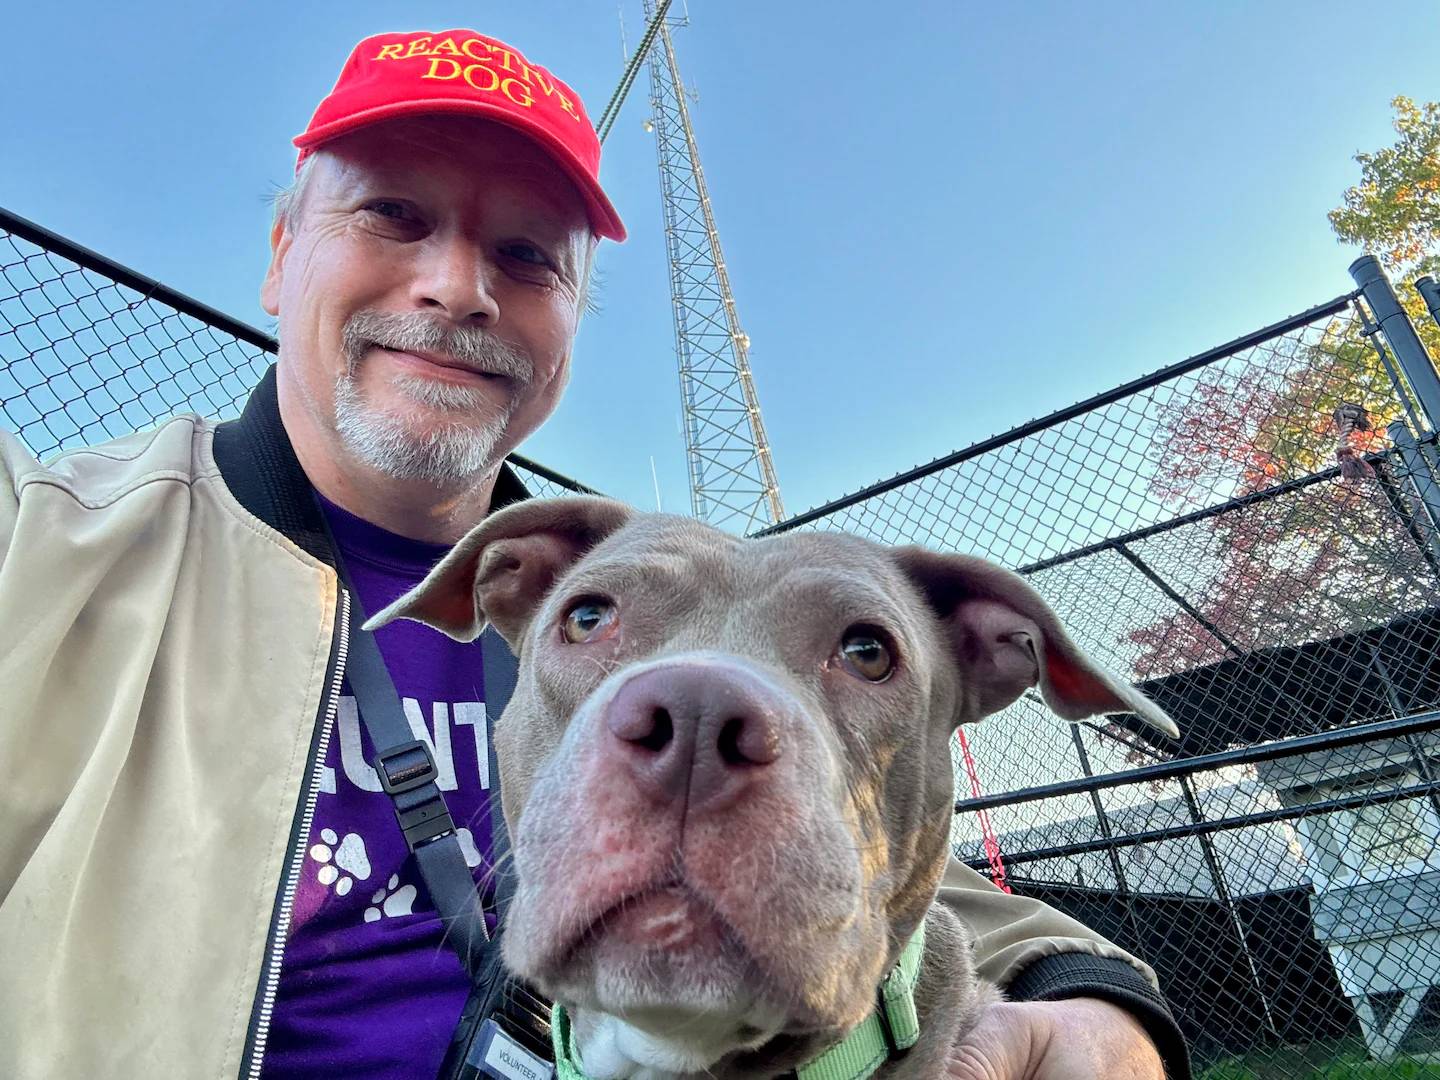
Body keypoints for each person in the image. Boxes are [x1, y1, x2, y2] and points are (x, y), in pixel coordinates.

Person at [0, 27, 1188, 1080]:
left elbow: (863, 828)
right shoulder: (45, 545)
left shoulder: (623, 593)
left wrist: (1098, 1000)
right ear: (278, 252)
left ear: (570, 319)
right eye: (394, 215)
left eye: (527, 257)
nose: (458, 285)